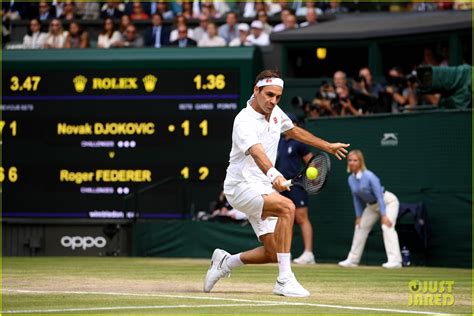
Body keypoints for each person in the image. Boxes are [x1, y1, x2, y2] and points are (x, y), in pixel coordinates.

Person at [203, 69, 349, 297]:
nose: (273, 101)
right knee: (287, 208)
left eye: (278, 97)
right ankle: (284, 280)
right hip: (240, 187)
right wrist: (275, 176)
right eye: (269, 95)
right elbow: (257, 153)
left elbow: (293, 130)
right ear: (256, 90)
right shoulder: (243, 120)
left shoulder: (275, 112)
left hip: (262, 187)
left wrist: (327, 145)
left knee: (273, 251)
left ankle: (225, 262)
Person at [338, 150, 403, 269]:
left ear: (360, 162)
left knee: (387, 226)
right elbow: (356, 198)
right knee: (360, 227)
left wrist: (384, 215)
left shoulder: (369, 176)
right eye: (350, 160)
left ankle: (395, 261)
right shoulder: (351, 179)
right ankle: (353, 260)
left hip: (387, 202)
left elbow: (379, 196)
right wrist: (358, 216)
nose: (352, 162)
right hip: (371, 206)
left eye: (355, 160)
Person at [277, 113, 316, 264]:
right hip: (283, 186)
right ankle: (285, 253)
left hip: (297, 186)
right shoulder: (280, 142)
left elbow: (312, 163)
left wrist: (307, 177)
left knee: (301, 218)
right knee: (286, 219)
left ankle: (308, 254)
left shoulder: (300, 142)